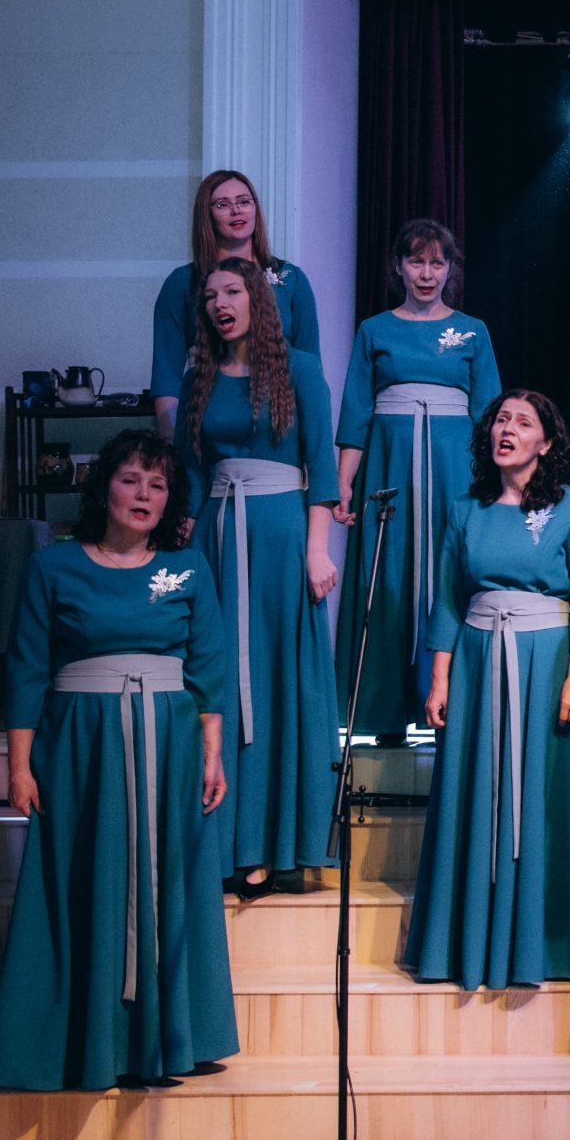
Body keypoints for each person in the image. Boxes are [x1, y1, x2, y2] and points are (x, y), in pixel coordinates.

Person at [0, 431, 236, 1090]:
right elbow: (26, 669)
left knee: (170, 882)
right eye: (131, 480)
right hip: (79, 749)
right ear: (105, 488)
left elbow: (209, 665)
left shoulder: (187, 567)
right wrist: (19, 765)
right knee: (78, 882)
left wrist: (212, 753)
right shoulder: (52, 566)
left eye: (158, 484)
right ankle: (79, 1041)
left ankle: (169, 1039)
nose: (144, 494)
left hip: (168, 746)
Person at [407, 390, 570, 990]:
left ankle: (547, 946)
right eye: (501, 419)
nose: (507, 429)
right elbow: (448, 598)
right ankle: (462, 941)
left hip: (547, 661)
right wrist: (439, 677)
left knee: (547, 794)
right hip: (476, 661)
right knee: (472, 790)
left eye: (523, 422)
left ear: (545, 442)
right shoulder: (466, 508)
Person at [178, 257, 341, 891]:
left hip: (281, 538)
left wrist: (318, 549)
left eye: (232, 291)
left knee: (278, 679)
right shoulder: (199, 375)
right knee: (217, 674)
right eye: (210, 295)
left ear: (257, 300)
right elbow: (193, 473)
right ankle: (222, 842)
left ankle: (276, 841)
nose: (220, 303)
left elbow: (320, 464)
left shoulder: (299, 369)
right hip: (218, 537)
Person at [332, 219, 501, 740]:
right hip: (390, 467)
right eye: (416, 261)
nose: (426, 273)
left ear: (450, 269)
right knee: (385, 574)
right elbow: (355, 412)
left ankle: (450, 707)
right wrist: (342, 484)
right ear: (399, 267)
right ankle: (384, 715)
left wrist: (496, 487)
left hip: (454, 468)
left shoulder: (472, 331)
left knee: (451, 573)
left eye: (436, 263)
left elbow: (491, 416)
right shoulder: (375, 329)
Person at [150, 170, 320, 441]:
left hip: (277, 421)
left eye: (243, 201)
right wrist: (171, 445)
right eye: (222, 204)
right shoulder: (182, 283)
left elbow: (312, 369)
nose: (236, 211)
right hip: (208, 419)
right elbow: (166, 375)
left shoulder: (291, 280)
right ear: (206, 216)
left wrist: (310, 442)